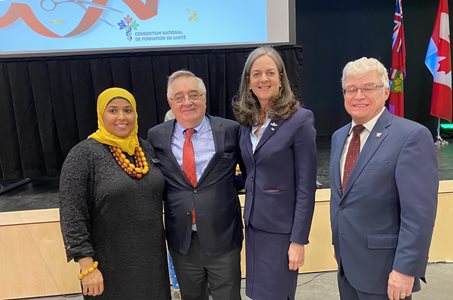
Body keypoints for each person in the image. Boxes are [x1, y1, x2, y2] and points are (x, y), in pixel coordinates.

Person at [329, 57, 438, 300]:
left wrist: (405, 269)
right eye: (351, 89)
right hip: (347, 266)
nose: (358, 95)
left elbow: (418, 213)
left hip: (386, 271)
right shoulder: (339, 137)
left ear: (386, 91)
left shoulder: (411, 136)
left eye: (368, 87)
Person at [59, 87, 171, 299]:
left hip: (151, 263)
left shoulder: (145, 149)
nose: (122, 117)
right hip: (109, 266)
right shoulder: (83, 155)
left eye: (128, 110)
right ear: (101, 115)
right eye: (113, 110)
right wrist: (87, 266)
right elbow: (72, 214)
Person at [147, 70, 243, 300]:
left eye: (193, 94)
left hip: (223, 237)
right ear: (171, 102)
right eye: (179, 97)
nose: (187, 102)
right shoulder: (156, 136)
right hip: (183, 241)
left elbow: (249, 174)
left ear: (204, 97)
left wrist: (225, 190)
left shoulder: (230, 130)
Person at [232, 46, 317, 299]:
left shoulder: (300, 120)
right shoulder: (247, 123)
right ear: (248, 82)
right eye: (256, 74)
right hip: (255, 226)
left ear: (281, 79)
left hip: (282, 231)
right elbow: (252, 172)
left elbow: (305, 186)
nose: (263, 79)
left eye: (270, 72)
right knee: (257, 294)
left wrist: (298, 240)